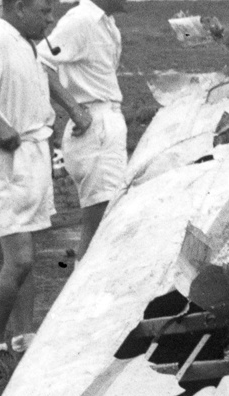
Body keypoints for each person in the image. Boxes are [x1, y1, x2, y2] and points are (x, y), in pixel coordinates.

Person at [0, 0, 91, 355]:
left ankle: (24, 337)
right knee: (20, 259)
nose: (51, 18)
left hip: (33, 154)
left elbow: (45, 76)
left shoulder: (27, 41)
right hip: (5, 158)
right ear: (20, 8)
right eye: (44, 11)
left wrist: (72, 107)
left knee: (26, 254)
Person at [40, 0, 129, 259]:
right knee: (100, 228)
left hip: (107, 121)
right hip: (94, 126)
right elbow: (39, 62)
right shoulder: (80, 19)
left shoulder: (107, 23)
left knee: (109, 225)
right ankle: (82, 297)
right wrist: (74, 109)